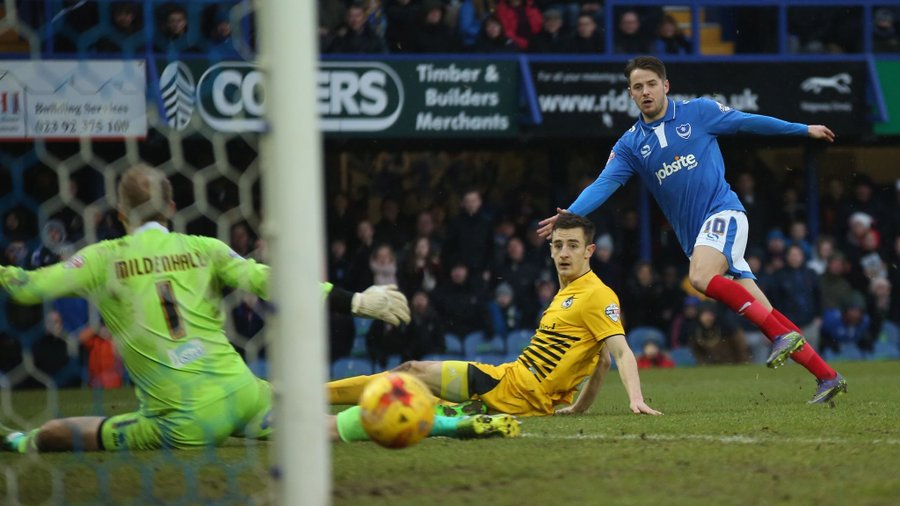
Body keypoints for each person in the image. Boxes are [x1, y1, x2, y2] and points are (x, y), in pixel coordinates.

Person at [0, 164, 511, 453]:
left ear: (117, 214)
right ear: (174, 207)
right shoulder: (204, 247)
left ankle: (20, 442)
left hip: (183, 420)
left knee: (80, 432)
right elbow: (275, 281)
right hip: (243, 393)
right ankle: (447, 422)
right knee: (329, 427)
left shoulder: (102, 258)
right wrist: (356, 299)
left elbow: (25, 287)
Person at [537, 56, 846, 404]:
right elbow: (604, 184)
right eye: (637, 87)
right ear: (630, 94)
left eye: (651, 84)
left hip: (724, 214)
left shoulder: (698, 112)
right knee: (766, 312)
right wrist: (571, 214)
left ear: (665, 85)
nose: (645, 91)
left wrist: (802, 130)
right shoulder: (630, 144)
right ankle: (827, 376)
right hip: (700, 238)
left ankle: (782, 340)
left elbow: (747, 122)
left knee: (699, 277)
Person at [328, 213, 662, 417]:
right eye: (558, 245)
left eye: (573, 245)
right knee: (413, 389)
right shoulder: (566, 293)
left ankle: (316, 399)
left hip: (515, 390)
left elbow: (620, 352)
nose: (564, 253)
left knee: (410, 373)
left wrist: (635, 398)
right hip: (508, 383)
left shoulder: (597, 294)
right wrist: (578, 408)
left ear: (589, 250)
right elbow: (600, 362)